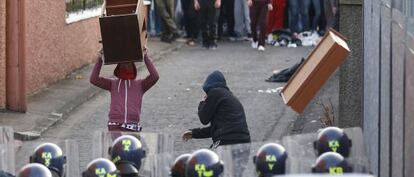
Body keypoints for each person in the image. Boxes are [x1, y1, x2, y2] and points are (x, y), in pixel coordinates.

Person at [90, 49, 159, 132]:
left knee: (132, 145)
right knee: (118, 145)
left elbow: (155, 76)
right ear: (118, 69)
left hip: (133, 125)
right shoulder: (112, 84)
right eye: (123, 65)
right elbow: (94, 79)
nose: (126, 67)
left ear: (133, 68)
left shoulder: (141, 85)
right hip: (115, 125)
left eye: (129, 65)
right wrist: (100, 58)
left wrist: (145, 56)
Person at [182, 71, 251, 148]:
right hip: (245, 143)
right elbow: (217, 128)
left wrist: (202, 102)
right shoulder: (230, 97)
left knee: (207, 159)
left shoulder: (215, 92)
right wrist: (194, 133)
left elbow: (203, 119)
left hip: (226, 142)